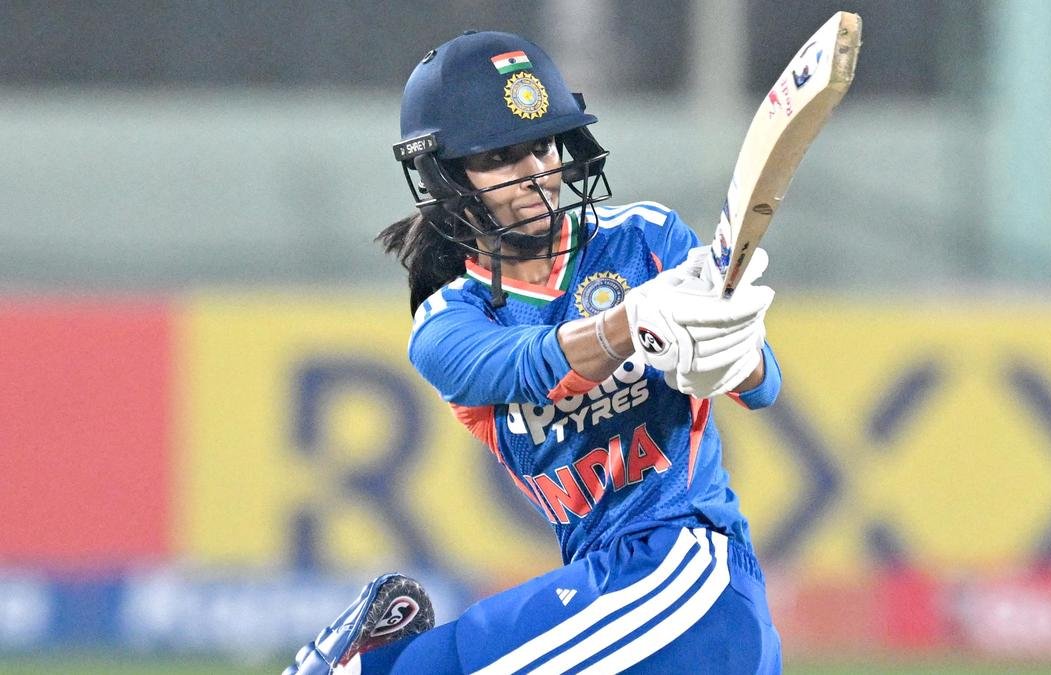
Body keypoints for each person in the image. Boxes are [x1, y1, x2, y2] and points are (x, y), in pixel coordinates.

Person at [286, 29, 783, 675]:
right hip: (621, 599)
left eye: (544, 145)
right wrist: (633, 320)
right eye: (500, 157)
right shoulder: (445, 326)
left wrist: (731, 353)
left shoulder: (647, 236)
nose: (536, 174)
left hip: (685, 574)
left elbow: (762, 387)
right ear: (446, 178)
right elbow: (532, 364)